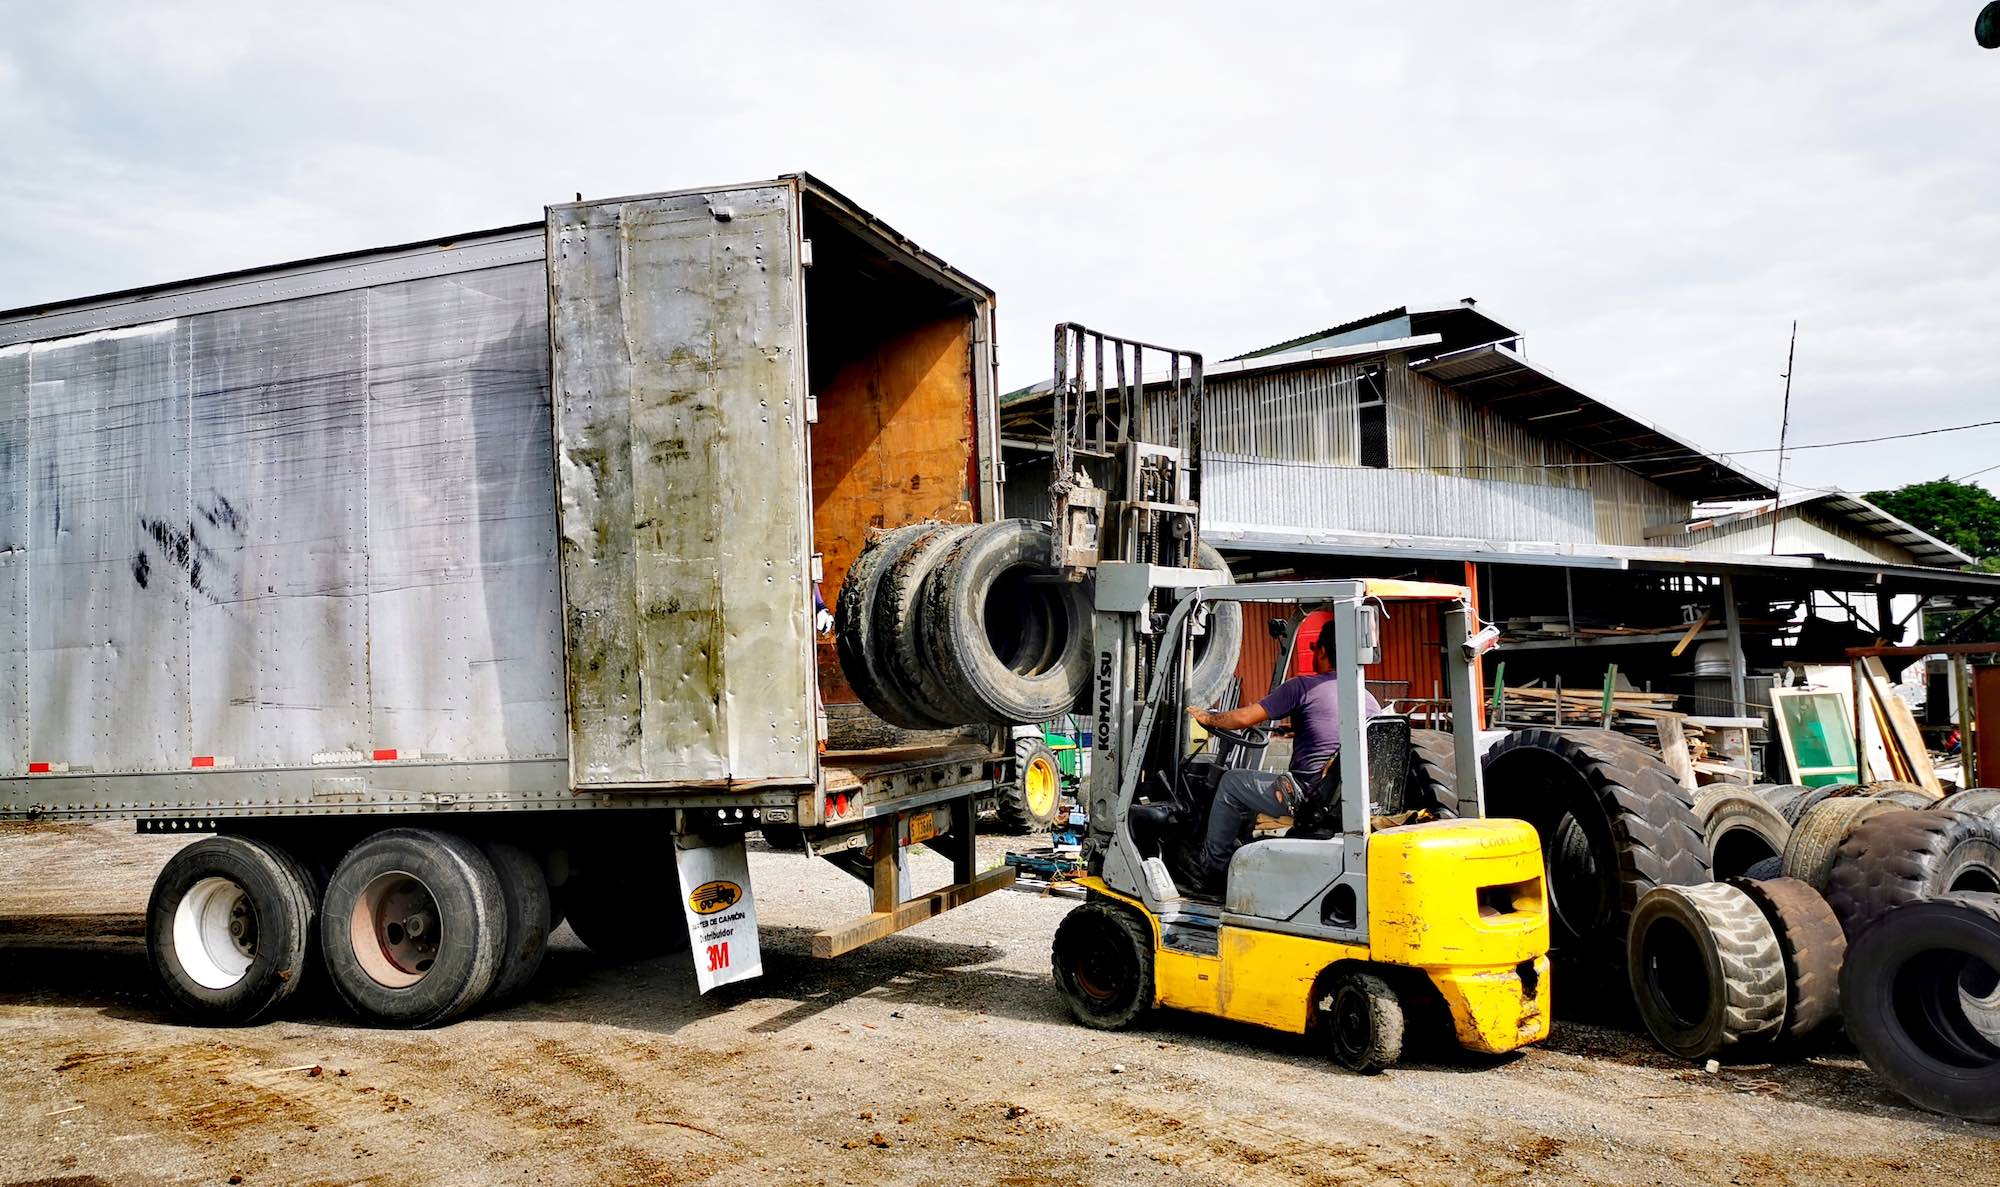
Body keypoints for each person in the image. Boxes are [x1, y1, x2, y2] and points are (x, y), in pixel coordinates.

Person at [1185, 626, 1381, 893]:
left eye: (1314, 649)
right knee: (1254, 784)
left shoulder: (1301, 686)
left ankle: (1213, 869)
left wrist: (1207, 718)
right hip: (1344, 796)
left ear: (1322, 651)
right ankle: (1242, 845)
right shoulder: (1366, 697)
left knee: (1232, 782)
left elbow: (1242, 719)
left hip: (1308, 795)